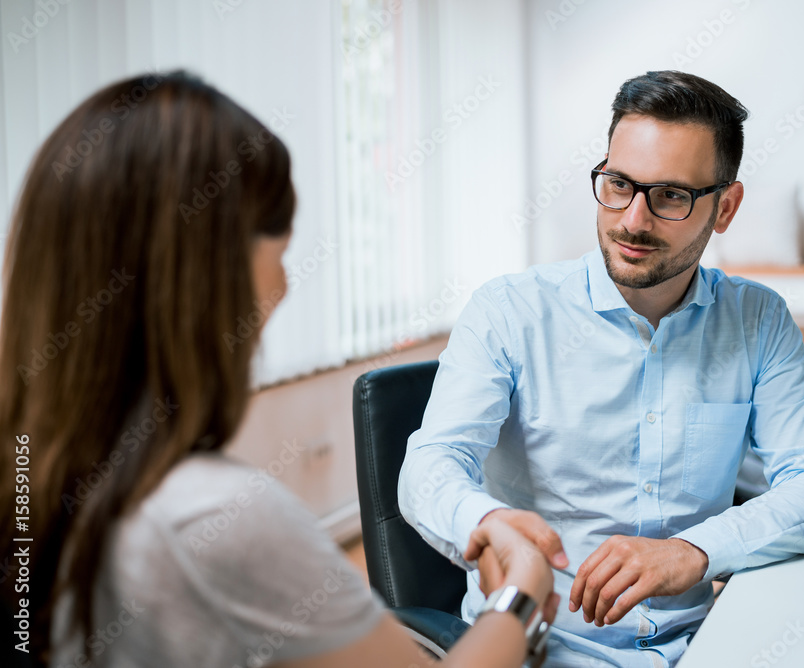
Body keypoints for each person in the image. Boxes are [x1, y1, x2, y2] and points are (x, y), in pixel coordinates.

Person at [0, 71, 555, 668]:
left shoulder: (30, 471)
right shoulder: (215, 518)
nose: (285, 287)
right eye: (279, 253)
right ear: (205, 277)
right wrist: (522, 595)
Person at [399, 70, 804, 668]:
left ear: (726, 208)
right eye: (619, 184)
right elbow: (429, 466)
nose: (633, 221)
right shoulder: (510, 312)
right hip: (547, 650)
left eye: (671, 195)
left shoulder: (756, 319)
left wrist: (693, 550)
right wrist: (486, 521)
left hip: (706, 643)